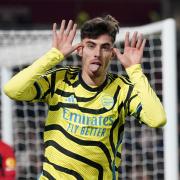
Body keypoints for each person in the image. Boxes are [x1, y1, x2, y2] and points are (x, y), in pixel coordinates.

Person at [3, 15, 166, 180]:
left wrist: (135, 70)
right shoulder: (60, 80)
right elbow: (12, 89)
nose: (97, 53)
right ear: (80, 50)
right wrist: (54, 55)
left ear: (113, 53)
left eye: (105, 47)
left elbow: (157, 119)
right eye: (91, 46)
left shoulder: (122, 89)